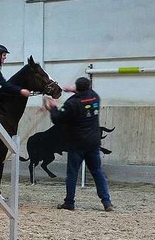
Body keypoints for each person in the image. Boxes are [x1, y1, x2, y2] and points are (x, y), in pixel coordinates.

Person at [46, 77, 114, 212]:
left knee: (72, 173)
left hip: (77, 143)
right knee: (97, 172)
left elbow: (57, 119)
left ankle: (69, 202)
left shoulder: (73, 103)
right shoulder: (95, 97)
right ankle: (106, 202)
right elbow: (86, 95)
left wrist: (53, 107)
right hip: (93, 142)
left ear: (77, 88)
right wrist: (74, 91)